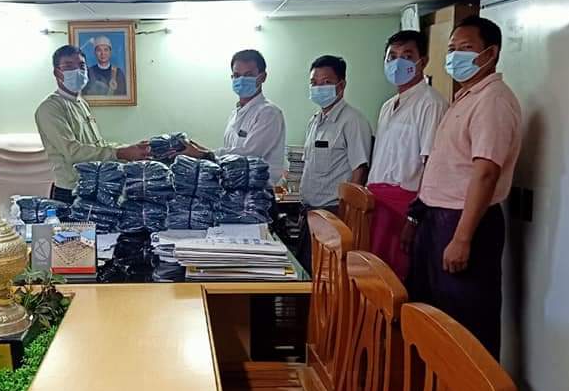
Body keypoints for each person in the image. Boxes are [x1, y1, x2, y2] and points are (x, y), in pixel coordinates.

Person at [404, 16, 522, 359]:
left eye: (466, 48)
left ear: (491, 53)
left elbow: (486, 172)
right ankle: (438, 388)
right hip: (437, 218)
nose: (456, 56)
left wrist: (462, 238)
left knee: (466, 319)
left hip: (464, 222)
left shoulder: (493, 101)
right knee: (436, 313)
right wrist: (416, 218)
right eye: (452, 48)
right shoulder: (466, 97)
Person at [368, 30, 448, 279]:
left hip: (406, 207)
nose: (398, 62)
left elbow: (431, 165)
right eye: (392, 56)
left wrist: (413, 219)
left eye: (407, 55)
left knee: (400, 279)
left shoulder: (431, 103)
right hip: (378, 203)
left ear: (423, 61)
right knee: (376, 278)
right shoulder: (387, 106)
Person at [34, 45, 149, 203]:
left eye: (81, 66)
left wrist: (132, 149)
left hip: (94, 186)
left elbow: (97, 144)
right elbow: (73, 152)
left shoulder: (81, 103)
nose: (77, 71)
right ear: (57, 72)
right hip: (70, 191)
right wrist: (120, 153)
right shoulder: (50, 108)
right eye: (69, 66)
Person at [296, 54, 373, 270]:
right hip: (310, 212)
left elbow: (360, 169)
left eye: (326, 82)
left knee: (328, 277)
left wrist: (349, 216)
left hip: (335, 214)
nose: (318, 88)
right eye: (314, 83)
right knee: (307, 274)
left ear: (341, 85)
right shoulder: (315, 122)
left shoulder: (353, 121)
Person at [183, 49, 287, 183]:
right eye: (237, 75)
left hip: (259, 191)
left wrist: (202, 154)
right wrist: (198, 149)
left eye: (248, 75)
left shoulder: (269, 113)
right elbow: (230, 154)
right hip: (235, 188)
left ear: (262, 77)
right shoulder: (236, 114)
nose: (241, 80)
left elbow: (249, 156)